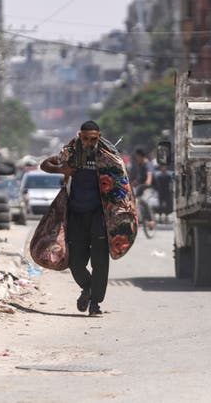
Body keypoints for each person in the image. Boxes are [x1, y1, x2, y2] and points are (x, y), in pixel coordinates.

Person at [40, 121, 135, 316]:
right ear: (80, 136)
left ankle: (95, 303)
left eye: (94, 138)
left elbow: (122, 181)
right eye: (86, 138)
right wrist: (64, 170)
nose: (90, 142)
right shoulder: (72, 154)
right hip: (76, 214)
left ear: (99, 136)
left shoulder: (108, 156)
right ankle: (88, 287)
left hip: (100, 216)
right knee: (75, 262)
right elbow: (45, 164)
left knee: (100, 261)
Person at [129, 147, 156, 230]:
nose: (136, 158)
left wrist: (148, 182)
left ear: (141, 156)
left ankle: (151, 220)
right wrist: (131, 184)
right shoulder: (140, 165)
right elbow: (140, 178)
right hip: (141, 187)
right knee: (134, 200)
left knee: (145, 200)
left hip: (149, 187)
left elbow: (149, 174)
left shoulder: (148, 164)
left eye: (137, 156)